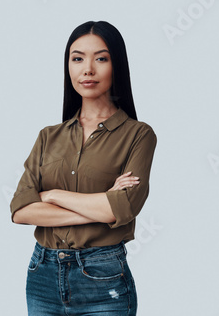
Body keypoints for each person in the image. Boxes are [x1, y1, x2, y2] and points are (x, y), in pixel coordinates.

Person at [10, 20, 157, 315]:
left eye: (100, 58)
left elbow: (120, 209)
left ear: (117, 66)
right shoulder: (48, 136)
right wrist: (100, 205)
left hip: (103, 278)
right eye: (77, 58)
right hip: (42, 274)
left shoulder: (138, 135)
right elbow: (21, 211)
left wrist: (52, 195)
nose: (87, 69)